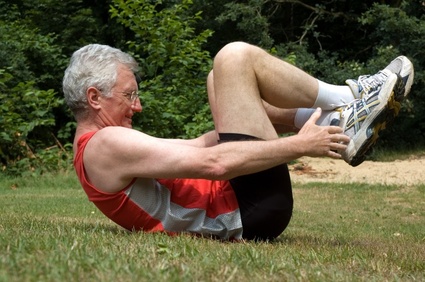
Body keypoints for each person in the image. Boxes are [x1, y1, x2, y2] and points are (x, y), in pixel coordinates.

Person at [62, 42, 414, 241]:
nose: (137, 105)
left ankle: (335, 119)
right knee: (234, 57)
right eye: (129, 94)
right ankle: (346, 100)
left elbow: (201, 145)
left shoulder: (101, 147)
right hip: (246, 213)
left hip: (246, 202)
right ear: (95, 97)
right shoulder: (106, 145)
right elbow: (214, 164)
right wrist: (301, 146)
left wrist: (241, 114)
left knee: (222, 80)